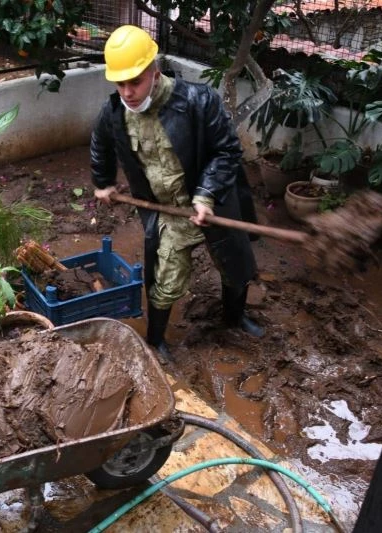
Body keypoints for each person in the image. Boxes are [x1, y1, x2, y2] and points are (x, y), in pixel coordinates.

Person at [91, 25, 264, 359]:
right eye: (120, 83)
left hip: (211, 203)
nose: (128, 92)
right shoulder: (113, 114)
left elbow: (226, 151)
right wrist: (104, 183)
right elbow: (100, 146)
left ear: (154, 72)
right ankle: (156, 340)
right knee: (164, 279)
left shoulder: (199, 101)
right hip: (167, 210)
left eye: (135, 81)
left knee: (234, 265)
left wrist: (207, 194)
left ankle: (235, 316)